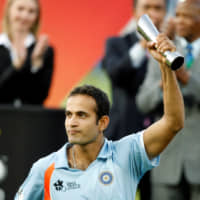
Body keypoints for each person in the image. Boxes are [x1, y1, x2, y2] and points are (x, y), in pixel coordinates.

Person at [14, 34, 184, 200]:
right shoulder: (45, 168)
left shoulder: (128, 154)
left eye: (82, 115)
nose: (72, 123)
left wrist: (166, 67)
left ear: (102, 123)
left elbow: (173, 123)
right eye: (69, 115)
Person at [136, 0, 200, 199]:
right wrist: (165, 82)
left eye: (187, 16)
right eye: (177, 15)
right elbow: (143, 102)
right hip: (167, 164)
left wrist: (187, 78)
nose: (178, 21)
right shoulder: (164, 51)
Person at [0, 0, 54, 106]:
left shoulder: (45, 50)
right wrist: (16, 67)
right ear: (9, 11)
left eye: (31, 11)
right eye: (20, 9)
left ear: (37, 17)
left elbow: (40, 97)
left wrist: (35, 66)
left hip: (30, 118)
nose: (25, 16)